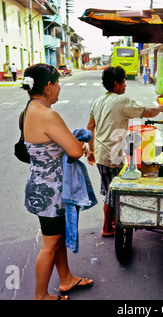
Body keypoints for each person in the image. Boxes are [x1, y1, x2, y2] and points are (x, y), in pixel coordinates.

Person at [22, 63, 93, 300]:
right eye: (58, 83)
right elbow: (73, 150)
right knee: (49, 245)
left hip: (40, 185)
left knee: (57, 238)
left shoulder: (29, 109)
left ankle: (66, 279)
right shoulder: (47, 114)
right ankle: (40, 296)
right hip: (50, 192)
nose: (60, 88)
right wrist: (81, 145)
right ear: (49, 86)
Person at [86, 66, 163, 236]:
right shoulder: (121, 101)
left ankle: (113, 221)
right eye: (123, 82)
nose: (125, 86)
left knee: (109, 189)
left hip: (101, 153)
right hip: (112, 156)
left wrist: (91, 151)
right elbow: (148, 112)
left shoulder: (98, 101)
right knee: (112, 192)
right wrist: (162, 107)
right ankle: (107, 227)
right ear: (116, 83)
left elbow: (90, 127)